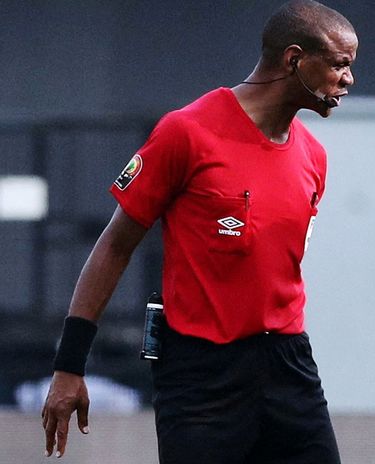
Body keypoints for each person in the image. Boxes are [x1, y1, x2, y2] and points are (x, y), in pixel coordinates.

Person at [41, 1, 356, 462]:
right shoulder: (187, 132)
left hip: (289, 367)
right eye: (340, 65)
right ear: (294, 60)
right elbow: (114, 246)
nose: (348, 80)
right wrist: (69, 365)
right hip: (201, 374)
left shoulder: (313, 156)